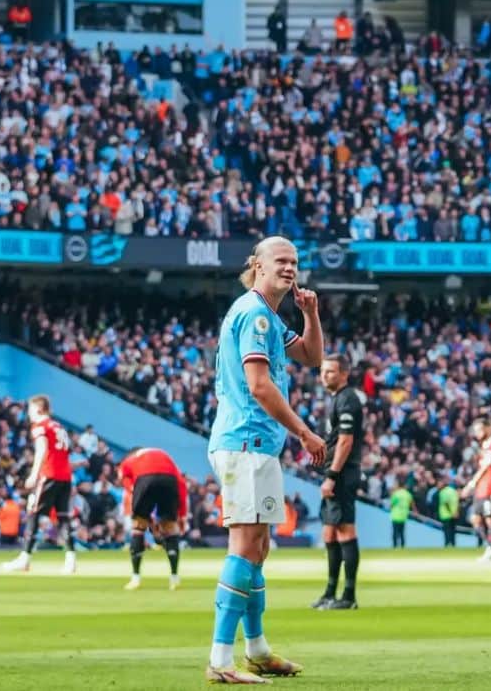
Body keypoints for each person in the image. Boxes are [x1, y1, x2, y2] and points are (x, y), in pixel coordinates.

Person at [204, 236, 326, 684]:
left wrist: (310, 312)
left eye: (294, 261)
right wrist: (305, 431)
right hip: (247, 442)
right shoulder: (255, 314)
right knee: (245, 545)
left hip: (257, 446)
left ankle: (256, 649)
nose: (290, 267)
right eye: (281, 260)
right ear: (257, 265)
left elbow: (313, 357)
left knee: (259, 547)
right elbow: (259, 385)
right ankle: (220, 659)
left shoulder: (268, 316)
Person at [3, 395, 78, 575]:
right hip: (65, 476)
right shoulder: (58, 426)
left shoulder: (41, 427)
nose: (28, 414)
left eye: (30, 409)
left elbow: (42, 450)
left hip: (49, 475)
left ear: (38, 408)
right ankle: (71, 559)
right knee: (63, 517)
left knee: (33, 514)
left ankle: (25, 558)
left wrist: (34, 474)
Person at [311, 354, 363, 611]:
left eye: (331, 371)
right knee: (329, 531)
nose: (325, 375)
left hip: (342, 474)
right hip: (334, 472)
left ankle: (349, 596)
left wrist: (332, 476)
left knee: (345, 530)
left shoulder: (348, 400)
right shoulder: (337, 399)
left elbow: (346, 441)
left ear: (344, 374)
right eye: (323, 371)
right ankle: (331, 592)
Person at [117, 446, 188, 590]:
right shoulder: (166, 456)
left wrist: (134, 492)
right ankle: (174, 577)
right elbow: (181, 484)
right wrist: (182, 515)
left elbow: (123, 477)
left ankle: (135, 578)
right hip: (169, 480)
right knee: (170, 528)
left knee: (138, 527)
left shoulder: (129, 459)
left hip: (145, 480)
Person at [462, 418, 491, 561]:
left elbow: (486, 466)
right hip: (481, 489)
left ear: (488, 428)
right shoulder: (483, 446)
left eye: (479, 429)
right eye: (475, 430)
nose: (477, 433)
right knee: (475, 519)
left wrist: (471, 484)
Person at [389, 482, 413, 548]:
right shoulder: (407, 494)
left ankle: (395, 546)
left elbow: (391, 504)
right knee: (402, 533)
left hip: (395, 516)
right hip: (404, 516)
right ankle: (403, 547)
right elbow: (412, 504)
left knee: (395, 533)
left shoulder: (396, 494)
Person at [438, 475, 460, 547]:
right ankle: (453, 544)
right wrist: (456, 512)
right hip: (454, 514)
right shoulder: (453, 491)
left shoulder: (443, 492)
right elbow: (457, 502)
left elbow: (446, 503)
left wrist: (451, 512)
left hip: (446, 514)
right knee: (453, 530)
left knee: (446, 531)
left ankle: (447, 544)